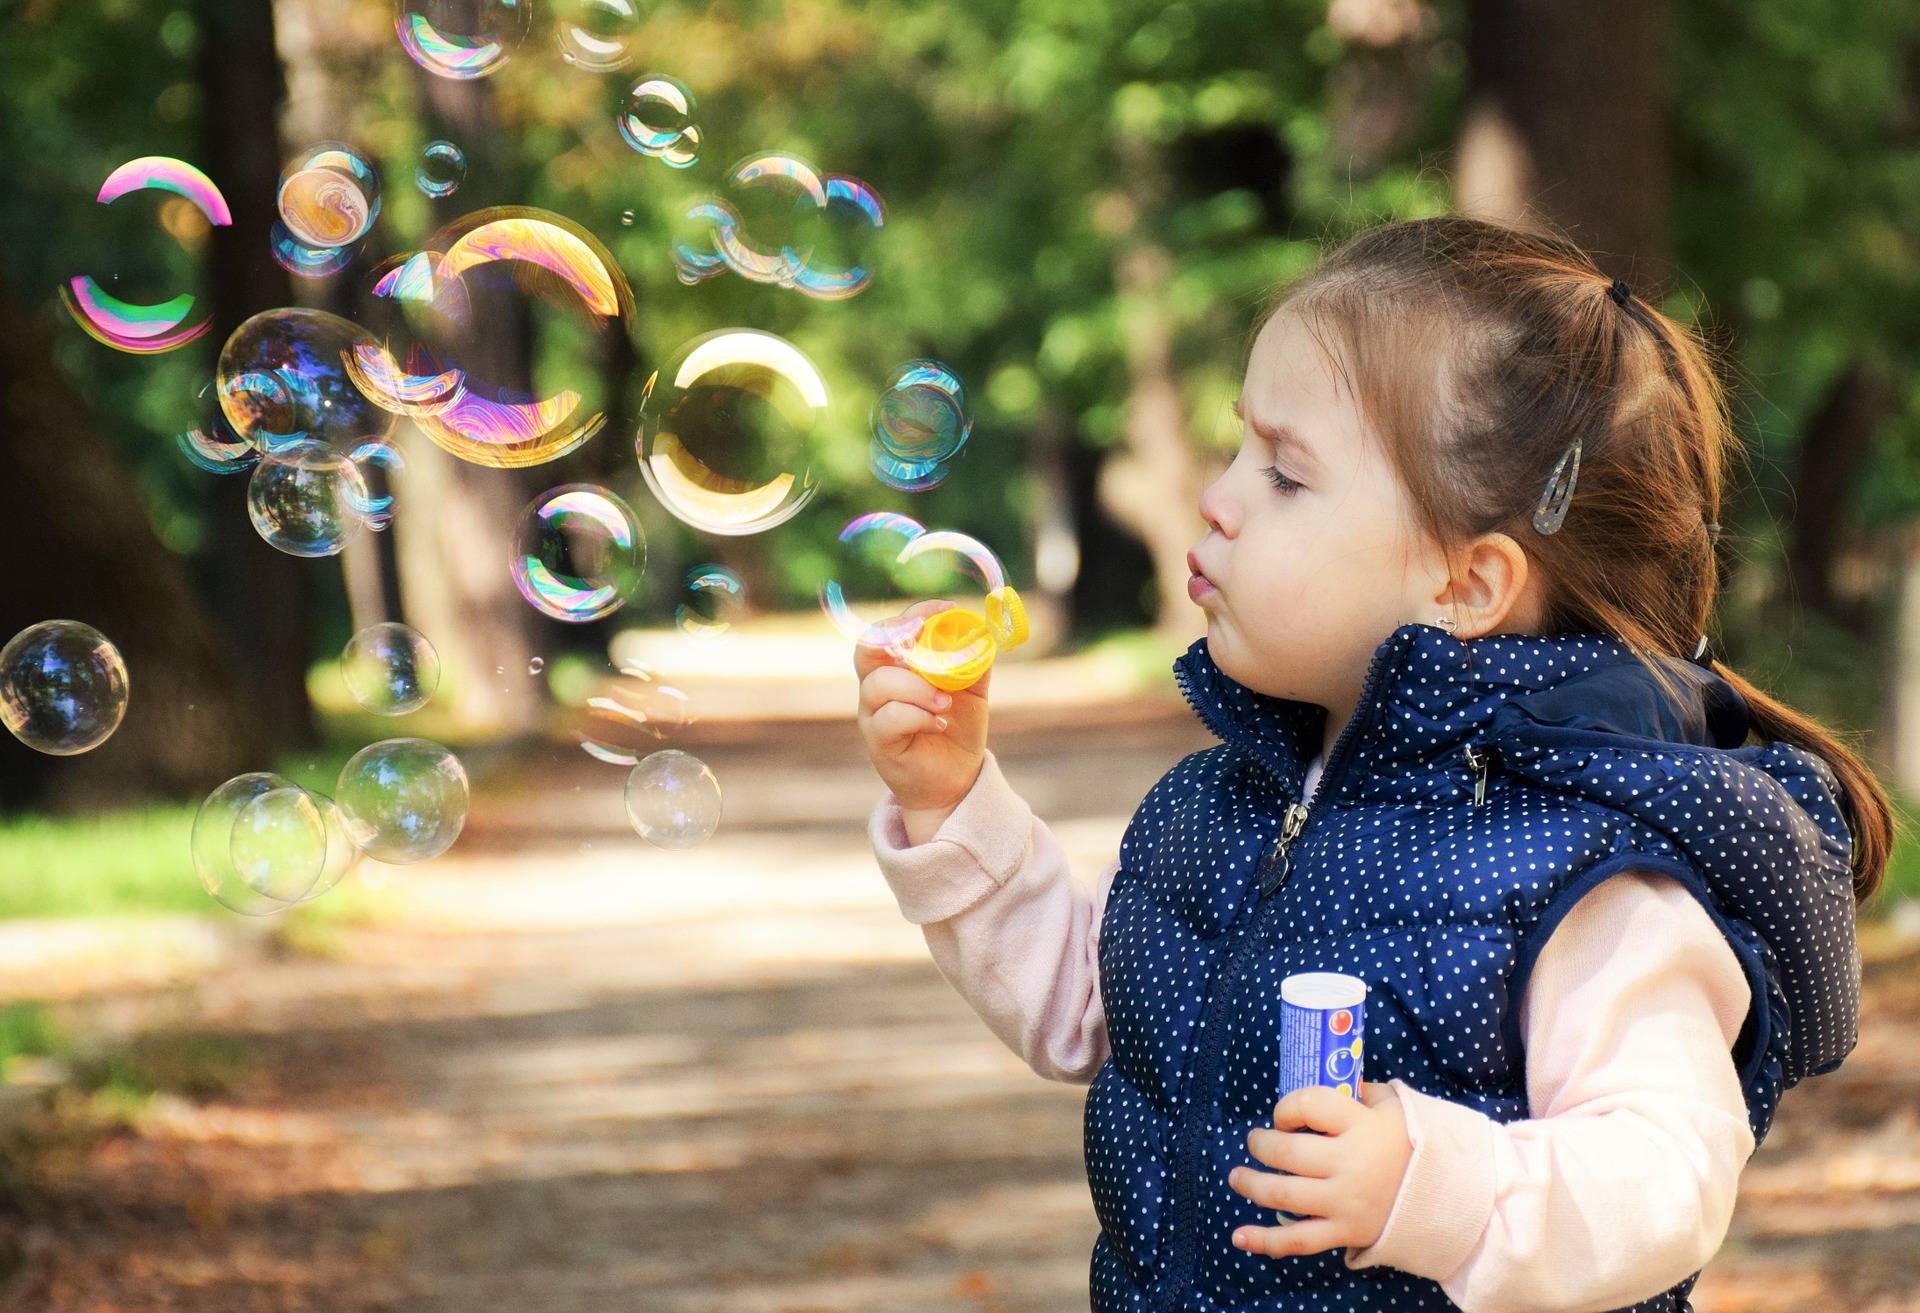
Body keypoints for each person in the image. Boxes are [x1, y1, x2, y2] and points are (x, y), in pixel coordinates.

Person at [854, 214, 1892, 1313]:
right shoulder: (1224, 804)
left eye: (1287, 475)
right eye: (1239, 446)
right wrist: (953, 800)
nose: (1219, 495)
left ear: (1466, 584)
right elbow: (1091, 1005)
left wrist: (1432, 1181)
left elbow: (1665, 1175)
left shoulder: (1583, 869)